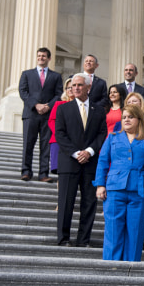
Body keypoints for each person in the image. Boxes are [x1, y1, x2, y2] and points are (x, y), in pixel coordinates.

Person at [94, 105, 144, 261]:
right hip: (114, 190)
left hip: (140, 190)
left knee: (135, 231)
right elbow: (103, 161)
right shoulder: (112, 137)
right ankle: (110, 266)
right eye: (124, 117)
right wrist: (100, 184)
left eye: (130, 117)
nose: (126, 120)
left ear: (139, 119)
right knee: (113, 230)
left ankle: (130, 268)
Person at [54, 72, 107, 246]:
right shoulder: (63, 108)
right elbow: (60, 134)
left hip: (91, 163)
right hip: (69, 162)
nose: (75, 88)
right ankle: (63, 239)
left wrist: (90, 151)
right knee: (66, 202)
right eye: (73, 85)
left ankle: (83, 240)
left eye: (79, 85)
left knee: (89, 203)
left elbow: (101, 134)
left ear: (88, 87)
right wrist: (77, 153)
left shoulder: (98, 110)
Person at [19, 47, 63, 182]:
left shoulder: (56, 76)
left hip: (47, 115)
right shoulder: (27, 74)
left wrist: (48, 106)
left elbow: (58, 93)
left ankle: (43, 173)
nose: (41, 58)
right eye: (39, 56)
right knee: (28, 143)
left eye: (44, 56)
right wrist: (35, 105)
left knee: (45, 145)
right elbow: (23, 92)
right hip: (30, 114)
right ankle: (26, 171)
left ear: (49, 58)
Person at [48, 77, 74, 178]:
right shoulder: (59, 104)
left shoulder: (81, 106)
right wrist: (61, 134)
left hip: (74, 142)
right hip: (58, 140)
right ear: (65, 90)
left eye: (73, 87)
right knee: (60, 172)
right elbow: (51, 121)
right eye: (68, 88)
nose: (71, 89)